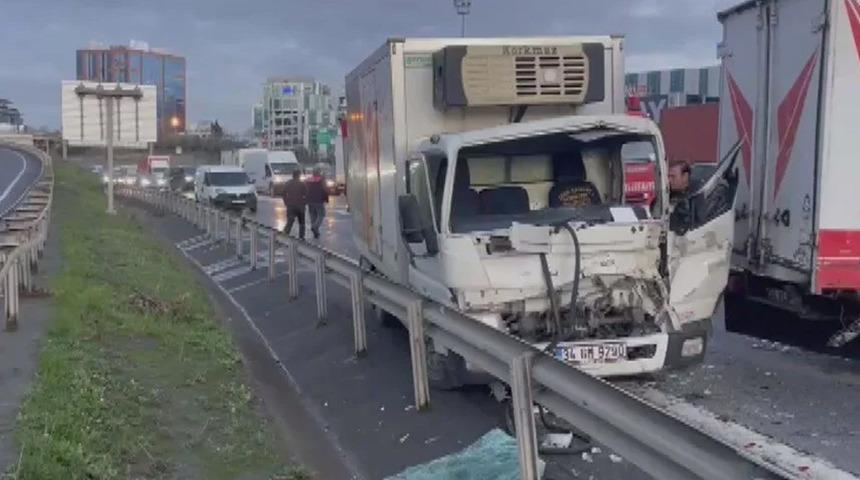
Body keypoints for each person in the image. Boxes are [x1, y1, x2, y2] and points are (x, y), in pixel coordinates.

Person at [282, 169, 307, 238]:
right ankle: (301, 237)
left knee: (290, 220)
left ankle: (285, 234)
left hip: (290, 205)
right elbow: (306, 194)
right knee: (302, 222)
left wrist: (286, 202)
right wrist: (304, 202)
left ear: (292, 175)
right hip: (300, 206)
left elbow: (283, 193)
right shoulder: (302, 184)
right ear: (299, 176)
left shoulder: (288, 183)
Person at [305, 168, 329, 239]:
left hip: (310, 200)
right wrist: (326, 199)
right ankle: (315, 227)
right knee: (321, 214)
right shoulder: (321, 180)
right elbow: (325, 189)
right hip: (319, 200)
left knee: (313, 216)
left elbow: (305, 189)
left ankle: (316, 232)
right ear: (319, 173)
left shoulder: (308, 180)